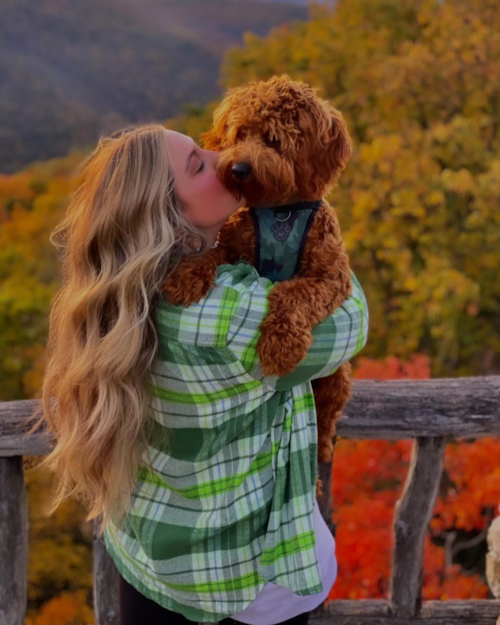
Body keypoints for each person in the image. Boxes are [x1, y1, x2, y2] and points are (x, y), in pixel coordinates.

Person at [28, 124, 369, 625]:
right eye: (196, 164)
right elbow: (351, 322)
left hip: (149, 559)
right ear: (170, 219)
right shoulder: (225, 317)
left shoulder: (123, 301)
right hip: (247, 584)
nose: (221, 156)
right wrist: (311, 223)